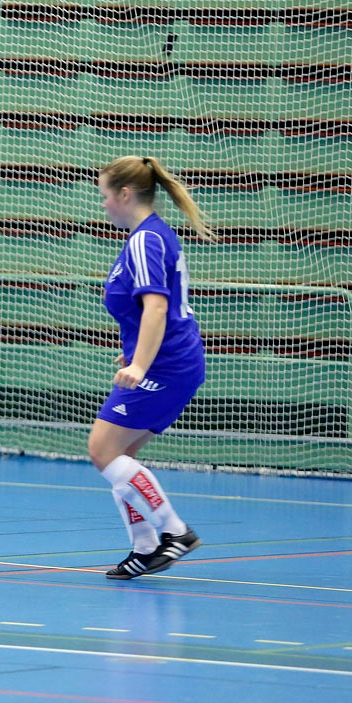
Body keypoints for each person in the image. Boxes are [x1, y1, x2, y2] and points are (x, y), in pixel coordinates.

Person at [90, 155, 214, 579]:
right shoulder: (150, 237)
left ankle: (175, 533)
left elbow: (157, 308)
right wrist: (134, 352)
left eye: (105, 195)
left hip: (166, 365)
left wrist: (141, 364)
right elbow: (149, 312)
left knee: (102, 450)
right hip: (170, 360)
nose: (103, 204)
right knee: (121, 456)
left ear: (125, 194)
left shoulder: (145, 240)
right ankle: (144, 547)